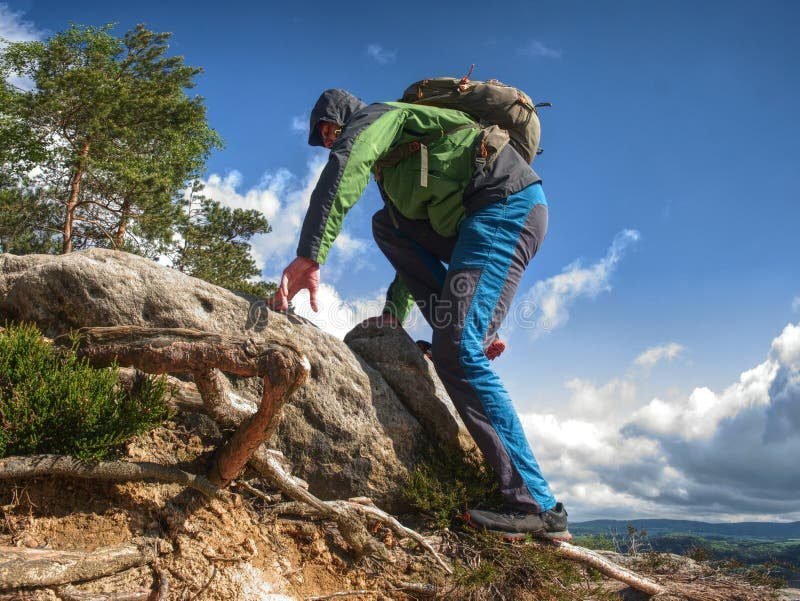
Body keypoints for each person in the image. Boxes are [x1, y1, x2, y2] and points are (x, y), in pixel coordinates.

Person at [270, 88, 570, 540]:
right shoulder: (393, 174)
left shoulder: (383, 117)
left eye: (330, 130)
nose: (329, 141)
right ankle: (466, 331)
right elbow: (406, 246)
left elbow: (346, 163)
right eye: (323, 137)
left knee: (457, 352)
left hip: (504, 207)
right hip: (472, 226)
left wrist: (311, 252)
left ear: (346, 117)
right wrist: (394, 315)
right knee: (385, 224)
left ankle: (539, 507)